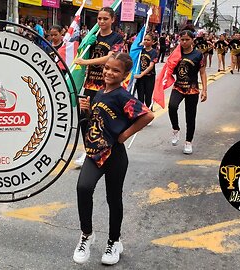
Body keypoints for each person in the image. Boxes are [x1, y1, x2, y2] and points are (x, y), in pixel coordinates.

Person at [73, 52, 154, 265]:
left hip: (115, 155)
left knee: (113, 199)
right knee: (83, 188)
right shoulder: (101, 92)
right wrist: (88, 112)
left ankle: (114, 241)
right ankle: (86, 235)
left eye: (116, 70)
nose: (109, 72)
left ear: (125, 74)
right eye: (107, 68)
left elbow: (148, 115)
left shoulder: (122, 96)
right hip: (94, 153)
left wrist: (125, 134)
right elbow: (98, 122)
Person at [73, 7, 124, 167]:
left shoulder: (117, 38)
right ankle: (89, 149)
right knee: (84, 117)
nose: (101, 22)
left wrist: (86, 62)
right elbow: (82, 54)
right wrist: (83, 46)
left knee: (103, 118)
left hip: (107, 86)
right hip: (90, 83)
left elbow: (110, 58)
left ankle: (105, 149)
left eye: (105, 19)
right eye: (99, 19)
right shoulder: (92, 36)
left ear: (112, 20)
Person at [168, 30, 207, 154]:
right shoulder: (176, 54)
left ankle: (188, 142)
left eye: (187, 40)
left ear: (192, 40)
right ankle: (175, 129)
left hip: (192, 89)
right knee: (172, 106)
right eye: (182, 40)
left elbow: (202, 72)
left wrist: (204, 90)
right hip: (178, 86)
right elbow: (170, 69)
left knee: (190, 116)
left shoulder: (198, 55)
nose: (184, 42)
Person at [134, 33, 158, 109]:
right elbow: (134, 50)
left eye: (148, 40)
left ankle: (149, 115)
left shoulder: (154, 52)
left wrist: (142, 74)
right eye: (145, 39)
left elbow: (151, 66)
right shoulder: (141, 51)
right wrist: (140, 45)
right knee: (140, 98)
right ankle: (141, 116)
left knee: (148, 98)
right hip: (140, 78)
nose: (146, 41)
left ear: (153, 42)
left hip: (149, 78)